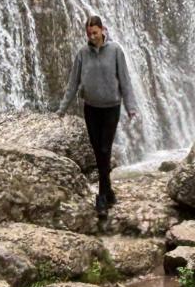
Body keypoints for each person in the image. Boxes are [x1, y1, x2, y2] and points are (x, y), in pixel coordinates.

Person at [57, 15, 136, 215]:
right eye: (89, 33)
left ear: (102, 30)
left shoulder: (115, 50)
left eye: (95, 32)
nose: (92, 36)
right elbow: (73, 83)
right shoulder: (82, 54)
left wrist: (130, 107)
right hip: (91, 109)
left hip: (111, 108)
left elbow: (125, 80)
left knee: (104, 148)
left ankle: (101, 197)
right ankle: (108, 190)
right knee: (97, 150)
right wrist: (62, 109)